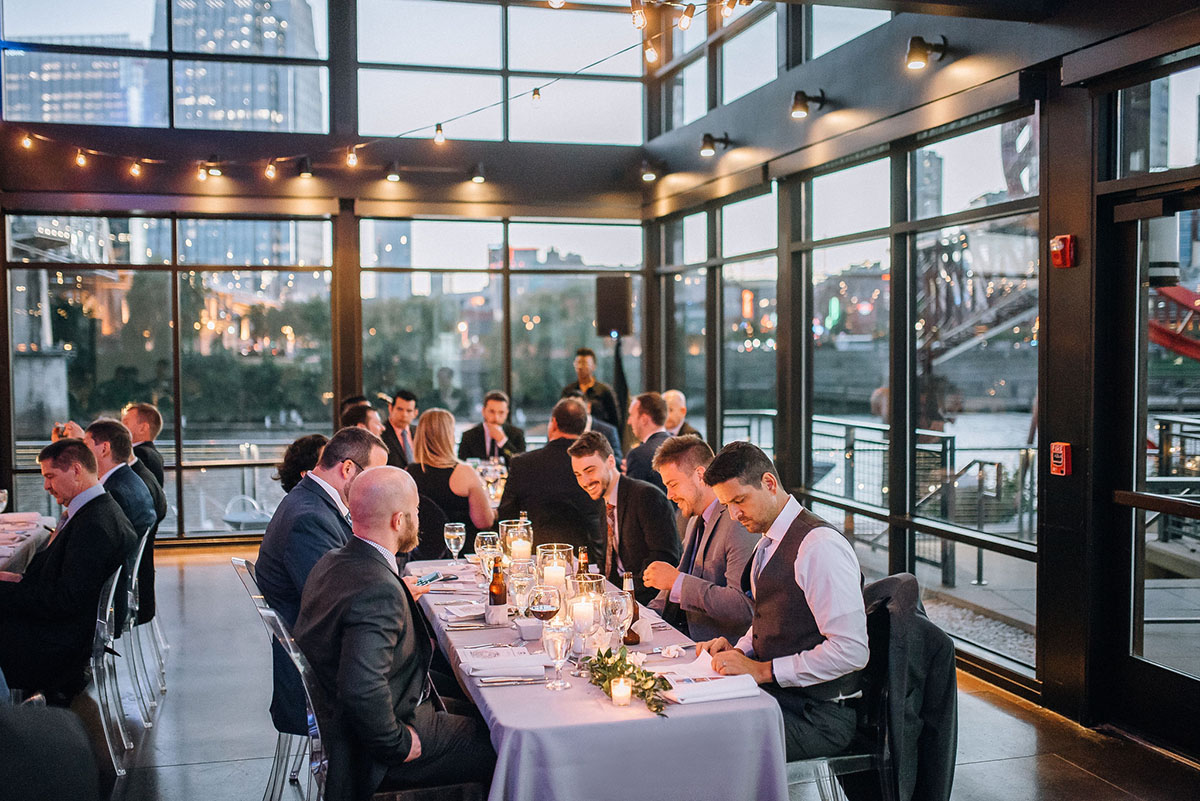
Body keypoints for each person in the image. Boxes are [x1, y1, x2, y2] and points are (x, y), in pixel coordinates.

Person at [294, 467, 495, 800]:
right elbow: (360, 687)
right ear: (399, 520)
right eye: (415, 511)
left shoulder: (333, 561)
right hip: (375, 754)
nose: (419, 517)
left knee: (476, 705)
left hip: (358, 725)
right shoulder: (378, 589)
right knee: (504, 745)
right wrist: (397, 744)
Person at [697, 441, 868, 761]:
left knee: (710, 743)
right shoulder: (768, 543)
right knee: (694, 721)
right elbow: (769, 618)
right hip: (781, 699)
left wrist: (762, 671)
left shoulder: (818, 546)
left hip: (820, 717)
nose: (734, 515)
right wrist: (739, 651)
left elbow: (851, 651)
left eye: (739, 501)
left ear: (769, 483)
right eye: (727, 505)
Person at [256, 427, 390, 735]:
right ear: (347, 468)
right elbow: (336, 606)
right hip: (322, 681)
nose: (379, 487)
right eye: (375, 476)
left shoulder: (312, 502)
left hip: (328, 660)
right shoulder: (309, 517)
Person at [0, 439, 136, 699]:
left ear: (75, 470)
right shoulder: (102, 509)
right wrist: (17, 580)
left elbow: (63, 600)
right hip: (72, 633)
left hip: (62, 647)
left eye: (50, 476)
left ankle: (9, 728)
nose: (46, 486)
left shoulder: (93, 525)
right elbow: (67, 583)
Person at [643, 435, 757, 643]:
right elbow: (680, 579)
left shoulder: (737, 521)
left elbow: (743, 607)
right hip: (681, 635)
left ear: (700, 475)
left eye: (673, 484)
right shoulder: (695, 518)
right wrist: (643, 617)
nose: (669, 495)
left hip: (716, 648)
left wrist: (676, 581)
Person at [567, 431, 679, 605]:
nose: (585, 481)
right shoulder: (604, 502)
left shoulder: (645, 496)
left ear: (611, 462)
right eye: (578, 474)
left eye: (590, 470)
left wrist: (621, 596)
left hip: (647, 603)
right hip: (615, 597)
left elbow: (664, 559)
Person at [498, 397, 603, 558]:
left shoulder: (524, 463)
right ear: (584, 428)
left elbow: (506, 515)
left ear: (553, 423)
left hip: (536, 553)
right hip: (588, 557)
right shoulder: (597, 465)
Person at [83, 419, 158, 628]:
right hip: (123, 593)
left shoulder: (115, 493)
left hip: (108, 605)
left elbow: (97, 556)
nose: (81, 453)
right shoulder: (131, 481)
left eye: (85, 445)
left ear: (104, 448)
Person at [406, 409, 495, 547]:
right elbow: (484, 522)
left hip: (423, 552)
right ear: (448, 436)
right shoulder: (464, 472)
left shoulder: (409, 473)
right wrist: (495, 512)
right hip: (461, 553)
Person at [457, 390, 526, 465]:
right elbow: (462, 465)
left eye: (501, 412)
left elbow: (521, 464)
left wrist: (503, 441)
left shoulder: (517, 434)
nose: (496, 417)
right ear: (483, 411)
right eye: (492, 412)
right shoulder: (469, 436)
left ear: (507, 413)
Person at [561, 347, 620, 430]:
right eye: (578, 363)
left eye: (584, 363)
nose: (580, 367)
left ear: (594, 366)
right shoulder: (568, 391)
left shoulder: (604, 390)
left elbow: (615, 420)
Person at [624, 392, 670, 495]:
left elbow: (632, 499)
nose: (629, 421)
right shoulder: (680, 445)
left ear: (644, 419)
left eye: (631, 415)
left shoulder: (638, 455)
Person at [564, 389, 622, 464]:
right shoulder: (563, 431)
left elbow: (617, 460)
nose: (575, 412)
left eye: (579, 407)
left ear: (588, 407)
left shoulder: (608, 431)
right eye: (571, 409)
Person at [121, 402, 166, 487]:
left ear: (143, 428)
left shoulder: (139, 454)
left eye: (125, 422)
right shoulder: (154, 454)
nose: (120, 427)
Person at [381, 388, 419, 469]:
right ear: (390, 408)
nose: (404, 414)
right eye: (400, 409)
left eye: (409, 411)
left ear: (415, 413)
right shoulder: (381, 432)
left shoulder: (419, 432)